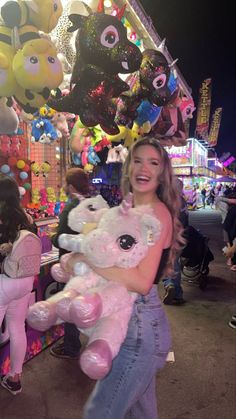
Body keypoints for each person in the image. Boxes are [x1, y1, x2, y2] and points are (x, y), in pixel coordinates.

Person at [63, 137, 185, 419]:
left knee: (100, 413)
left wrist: (88, 258)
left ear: (161, 172)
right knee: (140, 413)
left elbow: (142, 282)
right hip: (130, 321)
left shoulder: (156, 214)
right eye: (138, 160)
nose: (144, 167)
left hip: (138, 330)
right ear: (129, 167)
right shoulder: (128, 208)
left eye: (153, 162)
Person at [0, 175, 39, 395]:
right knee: (17, 328)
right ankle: (15, 378)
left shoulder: (2, 219)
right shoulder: (27, 218)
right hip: (25, 281)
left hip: (4, 281)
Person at [50, 168, 90, 360]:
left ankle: (71, 345)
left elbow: (62, 239)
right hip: (88, 262)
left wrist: (53, 236)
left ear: (71, 186)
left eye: (66, 184)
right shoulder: (91, 204)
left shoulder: (71, 207)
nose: (64, 187)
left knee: (69, 302)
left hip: (70, 263)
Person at [162, 177, 189, 305]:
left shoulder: (169, 202)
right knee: (173, 263)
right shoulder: (183, 202)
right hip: (182, 237)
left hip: (171, 238)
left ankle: (171, 286)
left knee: (170, 264)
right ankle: (175, 291)